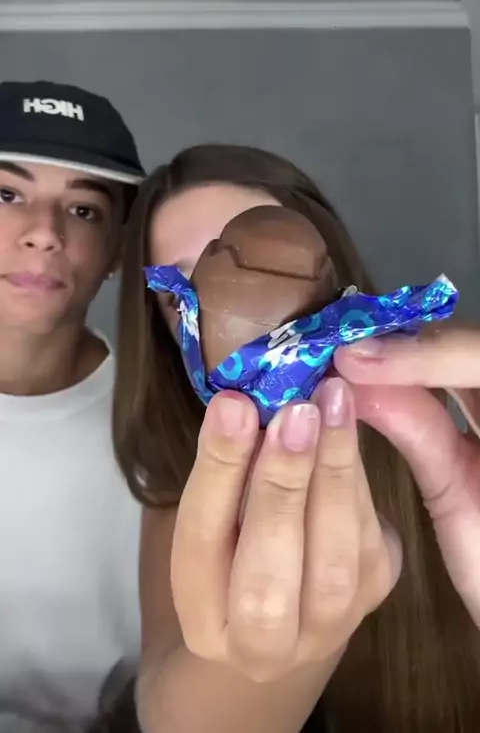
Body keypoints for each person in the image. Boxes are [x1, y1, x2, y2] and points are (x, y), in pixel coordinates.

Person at [114, 144, 480, 733]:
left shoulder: (452, 425)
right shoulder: (179, 490)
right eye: (183, 295)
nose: (244, 319)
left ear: (332, 279)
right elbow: (172, 714)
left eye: (267, 259)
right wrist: (263, 649)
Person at [0, 81, 145, 733]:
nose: (43, 233)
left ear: (118, 250)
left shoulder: (165, 421)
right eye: (6, 195)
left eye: (83, 210)